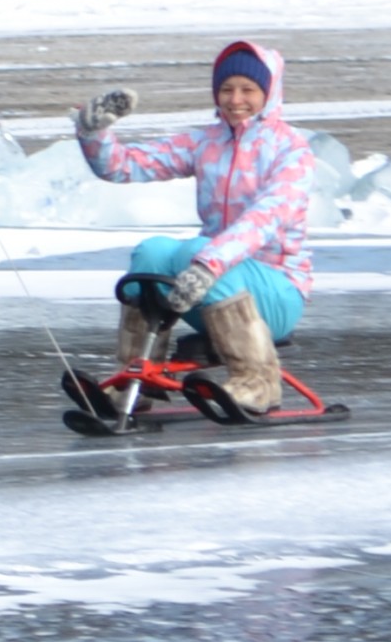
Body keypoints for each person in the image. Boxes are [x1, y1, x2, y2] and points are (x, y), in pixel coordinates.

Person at [69, 39, 314, 418]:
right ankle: (136, 380)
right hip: (208, 286)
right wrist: (94, 132)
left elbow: (265, 219)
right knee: (151, 252)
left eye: (248, 90)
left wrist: (209, 263)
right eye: (226, 89)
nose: (236, 100)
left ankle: (258, 381)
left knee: (192, 251)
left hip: (276, 293)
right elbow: (123, 166)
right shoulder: (205, 142)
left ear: (269, 94)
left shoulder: (292, 150)